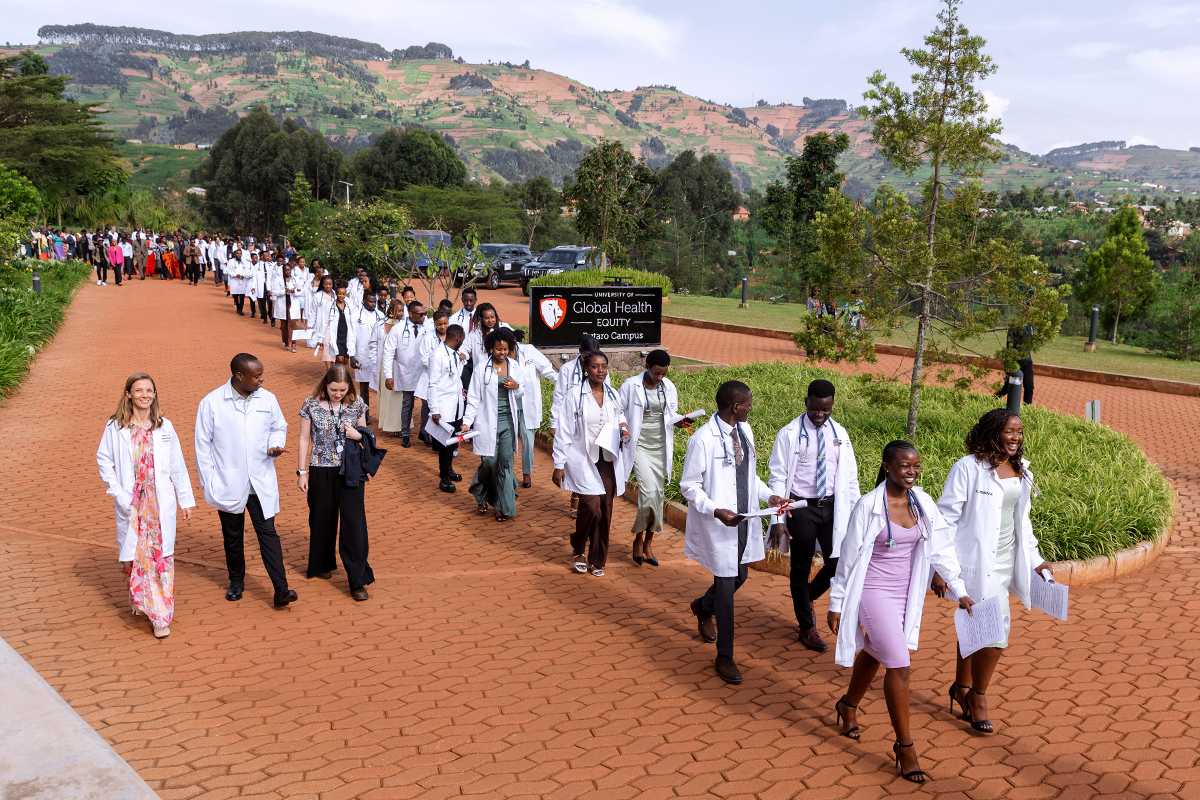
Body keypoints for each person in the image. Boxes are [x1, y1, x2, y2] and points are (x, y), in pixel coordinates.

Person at [827, 441, 974, 784]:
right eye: (904, 466)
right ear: (887, 467)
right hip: (872, 591)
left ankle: (847, 706)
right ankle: (905, 747)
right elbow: (848, 558)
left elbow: (941, 547)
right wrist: (837, 602)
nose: (911, 471)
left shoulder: (921, 502)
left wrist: (961, 590)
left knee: (877, 653)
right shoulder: (868, 506)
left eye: (916, 466)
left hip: (905, 593)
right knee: (901, 665)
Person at [935, 408, 1053, 735]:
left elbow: (1022, 521)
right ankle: (978, 697)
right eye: (1009, 431)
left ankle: (961, 687)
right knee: (995, 638)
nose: (1016, 438)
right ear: (992, 432)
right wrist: (942, 567)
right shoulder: (968, 468)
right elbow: (945, 519)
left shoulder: (1021, 469)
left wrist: (1036, 559)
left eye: (1019, 432)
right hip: (975, 563)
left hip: (1006, 562)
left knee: (979, 626)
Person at [682, 380, 787, 684]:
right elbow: (689, 486)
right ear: (735, 407)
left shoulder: (745, 432)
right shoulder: (703, 440)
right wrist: (716, 510)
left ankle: (701, 606)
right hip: (720, 522)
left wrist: (770, 497)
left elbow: (749, 476)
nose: (751, 408)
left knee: (741, 576)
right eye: (749, 404)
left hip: (744, 520)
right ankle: (724, 656)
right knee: (726, 592)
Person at [96, 373, 196, 639]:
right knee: (134, 559)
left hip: (158, 504)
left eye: (149, 390)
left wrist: (185, 499)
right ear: (128, 394)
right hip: (132, 505)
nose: (144, 395)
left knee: (159, 559)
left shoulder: (164, 427)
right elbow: (103, 459)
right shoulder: (116, 427)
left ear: (154, 394)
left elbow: (178, 465)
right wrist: (117, 492)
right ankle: (141, 602)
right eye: (138, 390)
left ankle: (160, 617)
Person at [194, 353, 297, 608]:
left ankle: (281, 588)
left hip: (260, 480)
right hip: (228, 481)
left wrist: (276, 445)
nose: (262, 379)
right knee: (232, 535)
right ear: (239, 376)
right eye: (257, 375)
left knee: (268, 532)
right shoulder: (212, 402)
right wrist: (209, 482)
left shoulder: (268, 399)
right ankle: (236, 582)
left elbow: (279, 427)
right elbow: (202, 447)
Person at [766, 379, 861, 652]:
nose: (820, 415)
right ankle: (806, 627)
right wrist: (778, 519)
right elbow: (778, 477)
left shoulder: (840, 434)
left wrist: (855, 514)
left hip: (832, 508)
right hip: (801, 507)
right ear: (806, 401)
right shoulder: (789, 434)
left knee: (838, 562)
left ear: (832, 406)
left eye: (826, 410)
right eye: (816, 409)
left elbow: (850, 479)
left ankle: (805, 598)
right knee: (801, 567)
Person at [296, 364, 374, 601]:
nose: (338, 394)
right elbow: (303, 439)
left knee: (354, 523)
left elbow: (366, 434)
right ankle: (321, 563)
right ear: (326, 385)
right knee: (321, 518)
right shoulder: (310, 404)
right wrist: (301, 472)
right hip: (320, 468)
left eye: (342, 389)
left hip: (351, 470)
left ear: (348, 386)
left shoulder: (357, 404)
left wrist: (358, 435)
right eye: (333, 389)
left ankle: (357, 580)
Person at [553, 351, 629, 577]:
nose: (601, 371)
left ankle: (597, 559)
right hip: (582, 459)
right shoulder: (574, 396)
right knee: (591, 507)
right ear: (586, 369)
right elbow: (564, 431)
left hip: (606, 459)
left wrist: (624, 428)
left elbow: (620, 416)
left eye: (604, 366)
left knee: (605, 510)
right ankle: (578, 547)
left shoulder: (613, 394)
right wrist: (558, 464)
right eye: (595, 367)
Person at [617, 349, 681, 567]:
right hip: (640, 445)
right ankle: (638, 538)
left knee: (659, 497)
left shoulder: (669, 387)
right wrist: (623, 426)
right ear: (647, 367)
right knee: (649, 494)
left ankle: (648, 542)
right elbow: (617, 410)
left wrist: (681, 421)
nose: (660, 377)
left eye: (663, 373)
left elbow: (671, 415)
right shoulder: (630, 385)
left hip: (661, 446)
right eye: (656, 373)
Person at [462, 327, 524, 521]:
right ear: (491, 348)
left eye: (505, 349)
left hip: (508, 422)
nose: (502, 353)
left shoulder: (514, 366)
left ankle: (501, 505)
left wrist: (517, 387)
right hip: (486, 421)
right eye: (498, 349)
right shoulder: (482, 368)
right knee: (489, 462)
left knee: (505, 463)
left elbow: (522, 392)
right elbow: (473, 398)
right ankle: (480, 491)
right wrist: (466, 423)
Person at [550, 335, 609, 519]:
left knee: (589, 463)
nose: (590, 359)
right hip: (572, 421)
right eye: (586, 356)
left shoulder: (600, 369)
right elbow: (559, 396)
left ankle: (581, 499)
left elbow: (607, 396)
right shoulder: (567, 369)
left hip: (592, 424)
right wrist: (554, 423)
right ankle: (577, 498)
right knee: (576, 461)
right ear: (579, 353)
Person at [511, 329, 558, 487]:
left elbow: (546, 369)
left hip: (527, 402)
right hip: (509, 401)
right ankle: (508, 473)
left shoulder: (529, 351)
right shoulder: (499, 354)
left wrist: (563, 383)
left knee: (528, 440)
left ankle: (526, 473)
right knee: (507, 440)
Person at [381, 300, 432, 446]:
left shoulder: (428, 328)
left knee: (427, 403)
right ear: (411, 314)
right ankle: (405, 435)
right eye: (421, 314)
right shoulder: (398, 329)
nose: (424, 317)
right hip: (406, 371)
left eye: (425, 313)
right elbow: (388, 352)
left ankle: (424, 432)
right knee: (407, 404)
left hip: (423, 371)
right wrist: (388, 375)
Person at [427, 324, 468, 492]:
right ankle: (443, 477)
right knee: (445, 443)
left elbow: (454, 377)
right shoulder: (438, 355)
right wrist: (434, 409)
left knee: (453, 442)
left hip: (456, 403)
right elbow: (433, 384)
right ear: (457, 338)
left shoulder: (454, 354)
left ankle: (449, 468)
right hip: (443, 405)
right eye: (462, 339)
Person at [416, 309, 451, 445]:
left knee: (440, 407)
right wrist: (437, 366)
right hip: (430, 376)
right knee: (427, 406)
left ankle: (437, 436)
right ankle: (424, 431)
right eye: (439, 324)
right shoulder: (428, 337)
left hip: (446, 378)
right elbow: (424, 358)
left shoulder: (451, 336)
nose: (443, 327)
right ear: (434, 324)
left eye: (445, 323)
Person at [352, 290, 386, 424]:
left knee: (381, 386)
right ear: (363, 301)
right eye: (370, 301)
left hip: (378, 356)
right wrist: (351, 355)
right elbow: (352, 336)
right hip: (362, 355)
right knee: (364, 387)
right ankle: (365, 414)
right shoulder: (356, 316)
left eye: (375, 302)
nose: (373, 304)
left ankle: (382, 415)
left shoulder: (381, 315)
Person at [374, 298, 406, 435]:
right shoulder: (380, 325)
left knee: (399, 396)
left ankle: (399, 426)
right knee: (388, 394)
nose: (401, 313)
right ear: (391, 311)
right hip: (386, 364)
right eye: (398, 311)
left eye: (402, 311)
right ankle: (387, 422)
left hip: (400, 363)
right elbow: (373, 343)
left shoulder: (405, 325)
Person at [995, 315, 1035, 405]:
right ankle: (991, 400)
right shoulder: (1015, 326)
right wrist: (1009, 364)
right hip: (1016, 363)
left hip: (1028, 362)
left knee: (1029, 387)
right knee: (1009, 388)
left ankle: (1026, 410)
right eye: (1029, 305)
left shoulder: (1032, 325)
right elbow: (1010, 346)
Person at [318, 281, 358, 367]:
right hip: (337, 335)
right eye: (339, 294)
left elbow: (354, 321)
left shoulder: (350, 305)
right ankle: (338, 377)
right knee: (340, 359)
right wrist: (320, 338)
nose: (341, 296)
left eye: (343, 294)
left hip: (347, 335)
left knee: (346, 360)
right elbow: (324, 323)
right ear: (336, 294)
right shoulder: (329, 306)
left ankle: (344, 378)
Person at [269, 262, 302, 352]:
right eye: (286, 270)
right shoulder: (278, 280)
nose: (287, 272)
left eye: (289, 270)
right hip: (283, 305)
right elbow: (274, 292)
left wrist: (293, 292)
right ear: (283, 271)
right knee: (284, 325)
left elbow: (301, 292)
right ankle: (286, 342)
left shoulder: (295, 279)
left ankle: (294, 344)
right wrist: (284, 292)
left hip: (292, 304)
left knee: (293, 324)